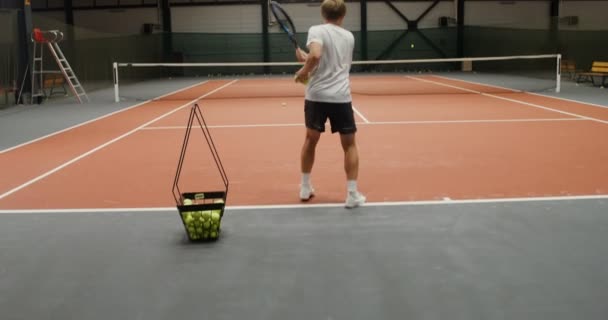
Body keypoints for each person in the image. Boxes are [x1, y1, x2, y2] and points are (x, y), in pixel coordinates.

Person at [294, 0, 365, 208]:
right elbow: (325, 60)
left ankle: (305, 187)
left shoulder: (316, 30)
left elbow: (316, 56)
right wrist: (306, 60)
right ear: (342, 15)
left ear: (323, 14)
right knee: (349, 145)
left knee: (310, 140)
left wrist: (303, 70)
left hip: (316, 96)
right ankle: (352, 194)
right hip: (340, 97)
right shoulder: (349, 36)